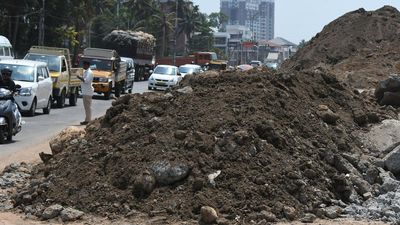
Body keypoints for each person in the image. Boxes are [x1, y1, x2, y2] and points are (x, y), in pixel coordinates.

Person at [77, 61, 94, 125]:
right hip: (86, 91)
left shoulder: (89, 73)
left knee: (87, 107)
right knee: (86, 107)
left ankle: (88, 120)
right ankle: (87, 119)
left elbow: (86, 81)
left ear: (87, 65)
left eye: (84, 65)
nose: (83, 66)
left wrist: (79, 77)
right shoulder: (86, 72)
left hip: (88, 92)